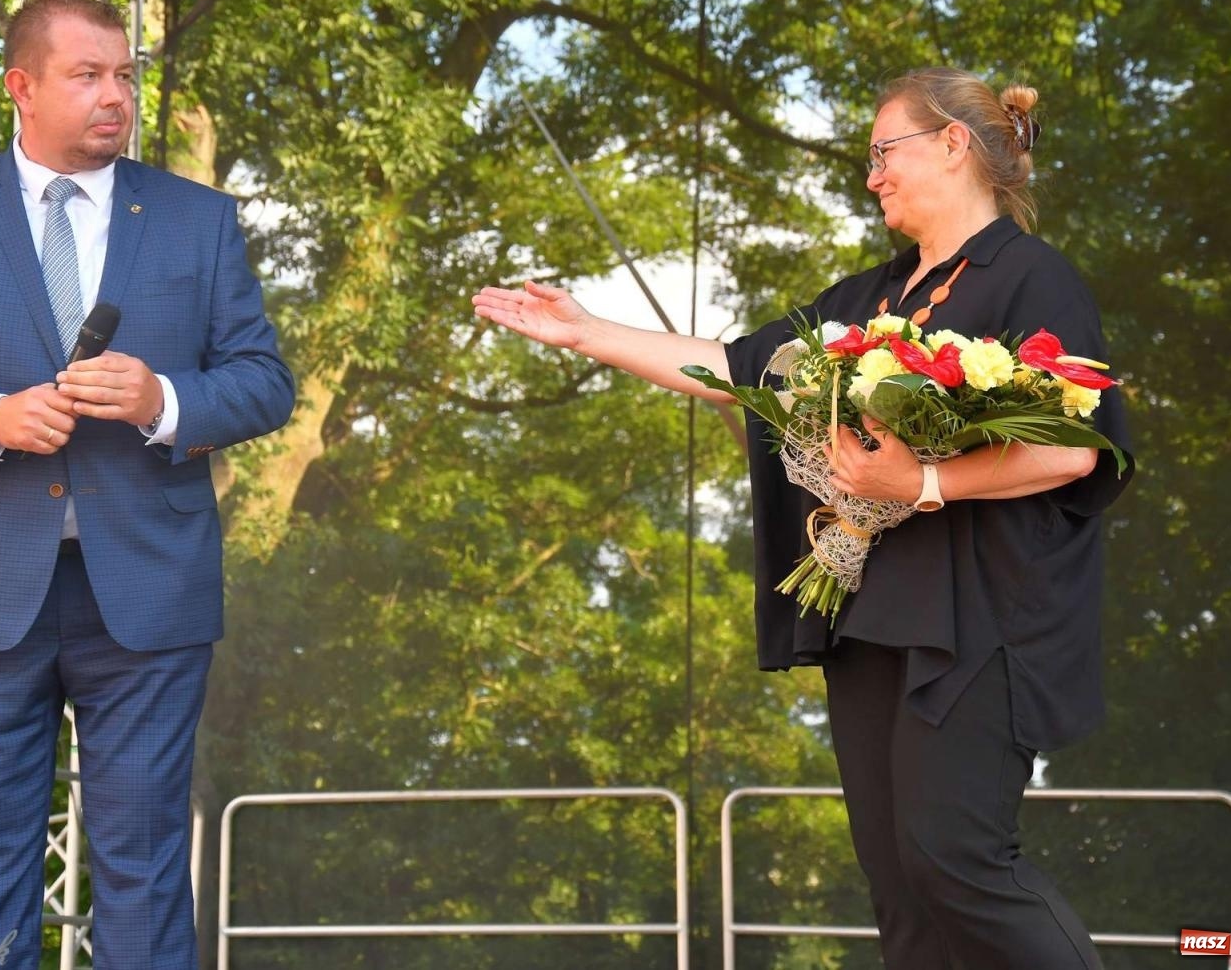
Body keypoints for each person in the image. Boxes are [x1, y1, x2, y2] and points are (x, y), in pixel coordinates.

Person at [473, 67, 1133, 969]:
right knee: (900, 889)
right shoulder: (874, 297)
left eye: (882, 152)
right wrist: (587, 332)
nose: (871, 177)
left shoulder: (1033, 277)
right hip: (873, 614)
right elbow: (741, 372)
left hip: (986, 620)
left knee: (956, 859)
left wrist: (925, 484)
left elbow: (1073, 450)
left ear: (952, 144)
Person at [0, 0, 294, 968]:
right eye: (88, 75)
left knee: (148, 866)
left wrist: (162, 396)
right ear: (20, 86)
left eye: (124, 75)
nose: (115, 95)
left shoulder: (198, 221)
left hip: (151, 592)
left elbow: (263, 382)